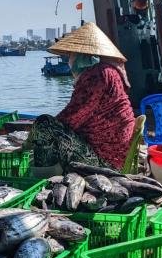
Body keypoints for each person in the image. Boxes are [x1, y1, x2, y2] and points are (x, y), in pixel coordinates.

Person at [29, 22, 134, 172]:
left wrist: (31, 138)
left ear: (83, 55)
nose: (70, 59)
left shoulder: (97, 75)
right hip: (116, 153)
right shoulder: (110, 71)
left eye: (71, 54)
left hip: (104, 159)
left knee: (44, 124)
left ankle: (41, 178)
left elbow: (71, 117)